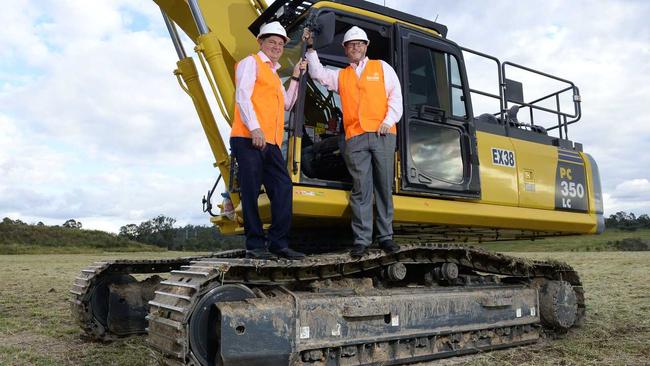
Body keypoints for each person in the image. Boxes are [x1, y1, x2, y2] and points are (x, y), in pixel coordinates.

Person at [302, 26, 403, 258]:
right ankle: (362, 240)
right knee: (361, 189)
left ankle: (386, 237)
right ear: (345, 49)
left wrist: (388, 120)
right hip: (355, 138)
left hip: (382, 134)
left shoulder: (382, 68)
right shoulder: (341, 75)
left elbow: (395, 96)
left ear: (366, 46)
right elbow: (317, 72)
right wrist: (310, 47)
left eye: (359, 44)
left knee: (384, 187)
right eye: (351, 44)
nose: (355, 47)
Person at [231, 21, 307, 260]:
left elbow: (287, 104)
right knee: (251, 191)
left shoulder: (274, 75)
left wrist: (295, 78)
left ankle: (278, 243)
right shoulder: (250, 63)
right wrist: (255, 128)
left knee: (283, 188)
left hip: (271, 142)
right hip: (248, 138)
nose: (276, 46)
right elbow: (242, 96)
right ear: (260, 42)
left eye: (280, 44)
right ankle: (254, 245)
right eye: (272, 42)